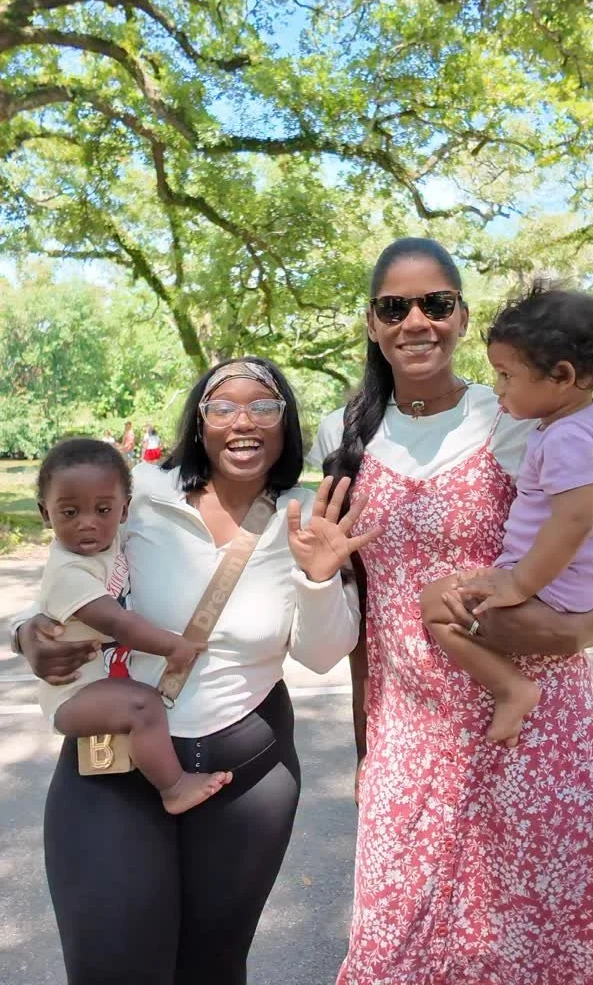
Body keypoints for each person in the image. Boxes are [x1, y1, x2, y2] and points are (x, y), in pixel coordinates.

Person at [310, 238, 593, 985]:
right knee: (400, 948)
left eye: (437, 303)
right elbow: (361, 615)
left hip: (534, 724)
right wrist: (366, 743)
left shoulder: (521, 412)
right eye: (394, 307)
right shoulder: (344, 433)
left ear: (461, 316)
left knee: (545, 943)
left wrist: (579, 632)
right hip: (410, 732)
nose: (416, 321)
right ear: (371, 322)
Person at [12, 356, 372, 985]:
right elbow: (69, 574)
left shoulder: (305, 514)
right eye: (223, 407)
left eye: (264, 407)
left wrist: (319, 577)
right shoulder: (141, 493)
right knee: (112, 967)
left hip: (247, 778)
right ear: (199, 422)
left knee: (211, 969)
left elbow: (320, 655)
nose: (244, 421)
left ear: (286, 422)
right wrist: (23, 634)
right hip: (115, 766)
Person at [421, 283, 593, 746]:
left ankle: (511, 688)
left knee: (435, 604)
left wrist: (518, 584)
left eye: (506, 375)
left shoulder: (565, 439)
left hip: (559, 586)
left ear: (561, 375)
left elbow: (574, 520)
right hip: (584, 581)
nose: (498, 388)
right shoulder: (587, 421)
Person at [36, 436, 232, 814]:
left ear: (124, 510)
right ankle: (174, 788)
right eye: (70, 512)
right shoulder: (68, 572)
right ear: (46, 514)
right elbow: (119, 624)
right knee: (143, 707)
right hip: (72, 697)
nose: (88, 524)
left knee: (141, 704)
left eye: (103, 509)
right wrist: (174, 646)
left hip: (99, 683)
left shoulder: (111, 543)